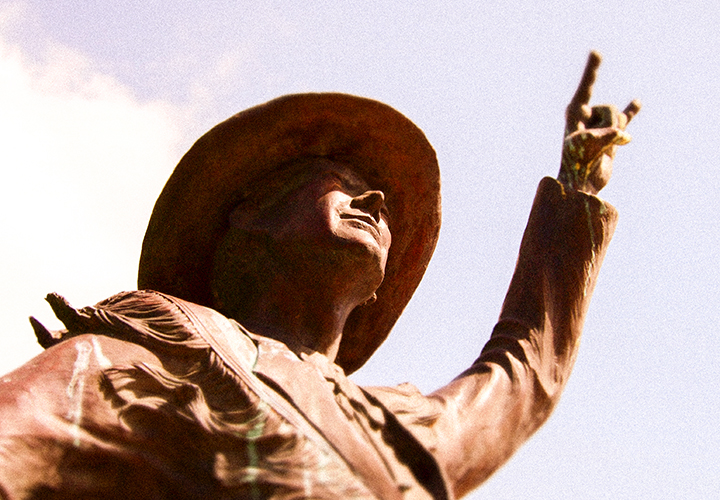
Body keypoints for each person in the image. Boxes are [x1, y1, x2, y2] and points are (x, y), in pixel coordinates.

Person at [0, 52, 639, 499]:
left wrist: (578, 187)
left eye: (380, 197)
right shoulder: (141, 362)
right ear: (248, 215)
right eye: (343, 184)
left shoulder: (400, 428)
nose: (377, 203)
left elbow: (522, 374)